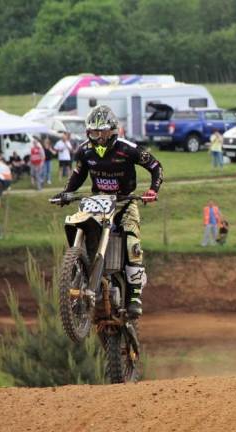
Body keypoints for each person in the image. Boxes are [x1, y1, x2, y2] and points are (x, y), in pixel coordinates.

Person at [54, 105, 163, 319]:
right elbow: (78, 175)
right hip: (97, 202)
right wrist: (66, 193)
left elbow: (156, 166)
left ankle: (134, 297)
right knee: (79, 228)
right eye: (94, 132)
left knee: (132, 243)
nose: (98, 138)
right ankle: (79, 274)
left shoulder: (128, 149)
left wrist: (153, 190)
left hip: (125, 202)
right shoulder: (84, 151)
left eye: (102, 132)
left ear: (112, 131)